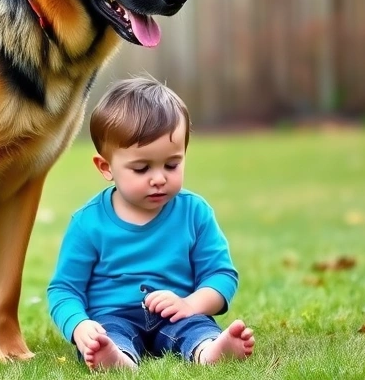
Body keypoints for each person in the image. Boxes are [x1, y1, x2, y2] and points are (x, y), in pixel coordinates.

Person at [46, 76, 255, 371]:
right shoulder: (87, 223)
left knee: (195, 329)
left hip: (179, 313)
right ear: (106, 167)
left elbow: (221, 275)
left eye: (172, 164)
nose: (159, 178)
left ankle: (210, 350)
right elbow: (64, 289)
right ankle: (117, 358)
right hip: (111, 317)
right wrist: (79, 327)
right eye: (142, 168)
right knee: (106, 338)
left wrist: (190, 304)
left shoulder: (195, 212)